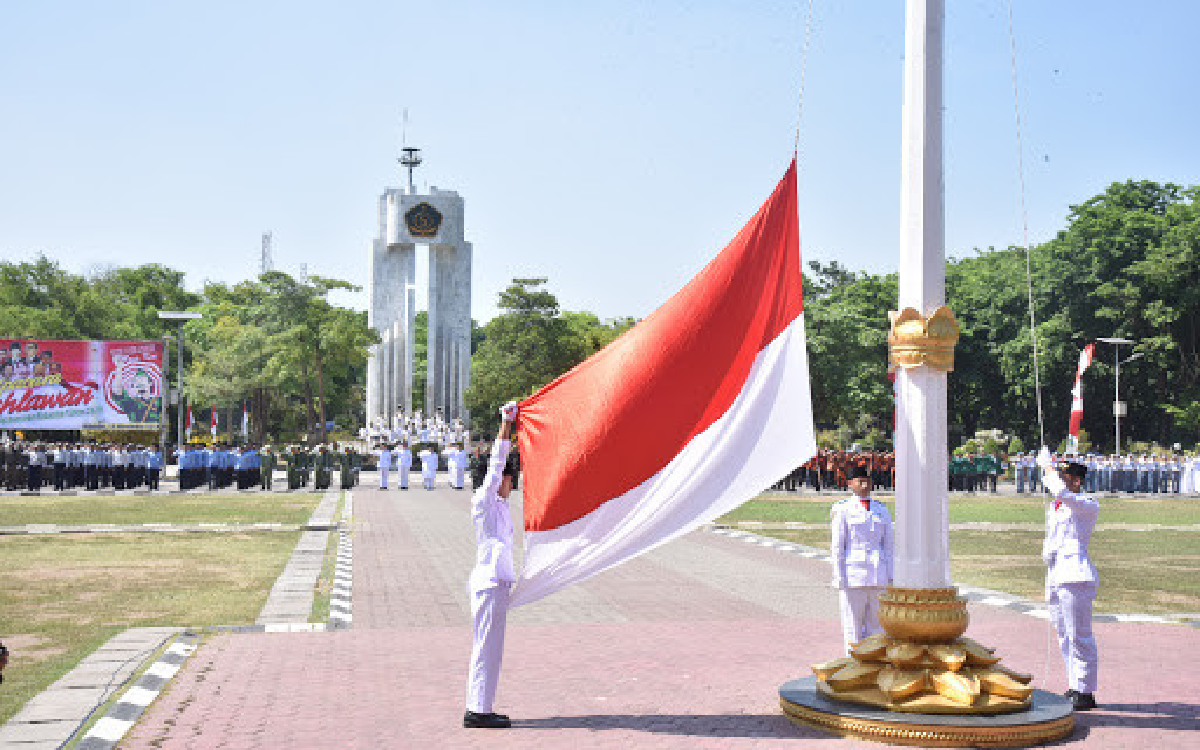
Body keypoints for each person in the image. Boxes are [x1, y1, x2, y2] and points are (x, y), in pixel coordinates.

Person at [464, 401, 519, 729]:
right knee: (486, 648)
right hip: (487, 583)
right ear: (499, 480)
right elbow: (497, 463)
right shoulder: (484, 501)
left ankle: (481, 706)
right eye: (510, 479)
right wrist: (505, 425)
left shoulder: (499, 506)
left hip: (495, 583)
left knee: (491, 649)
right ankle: (478, 711)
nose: (512, 485)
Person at [1036, 447, 1100, 711]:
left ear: (1077, 480)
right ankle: (1075, 685)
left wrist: (1047, 467)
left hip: (1076, 575)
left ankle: (1085, 690)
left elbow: (1060, 492)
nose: (1060, 480)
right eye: (1059, 475)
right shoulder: (1058, 507)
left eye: (1064, 476)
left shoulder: (1087, 504)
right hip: (1057, 572)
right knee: (1063, 633)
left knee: (1079, 635)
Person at [830, 465, 893, 654]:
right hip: (853, 575)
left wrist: (891, 576)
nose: (865, 485)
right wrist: (838, 576)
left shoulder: (881, 510)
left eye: (867, 481)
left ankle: (874, 667)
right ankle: (852, 668)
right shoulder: (843, 509)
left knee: (878, 627)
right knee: (853, 627)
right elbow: (838, 546)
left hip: (878, 575)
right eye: (860, 481)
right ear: (850, 484)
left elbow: (888, 546)